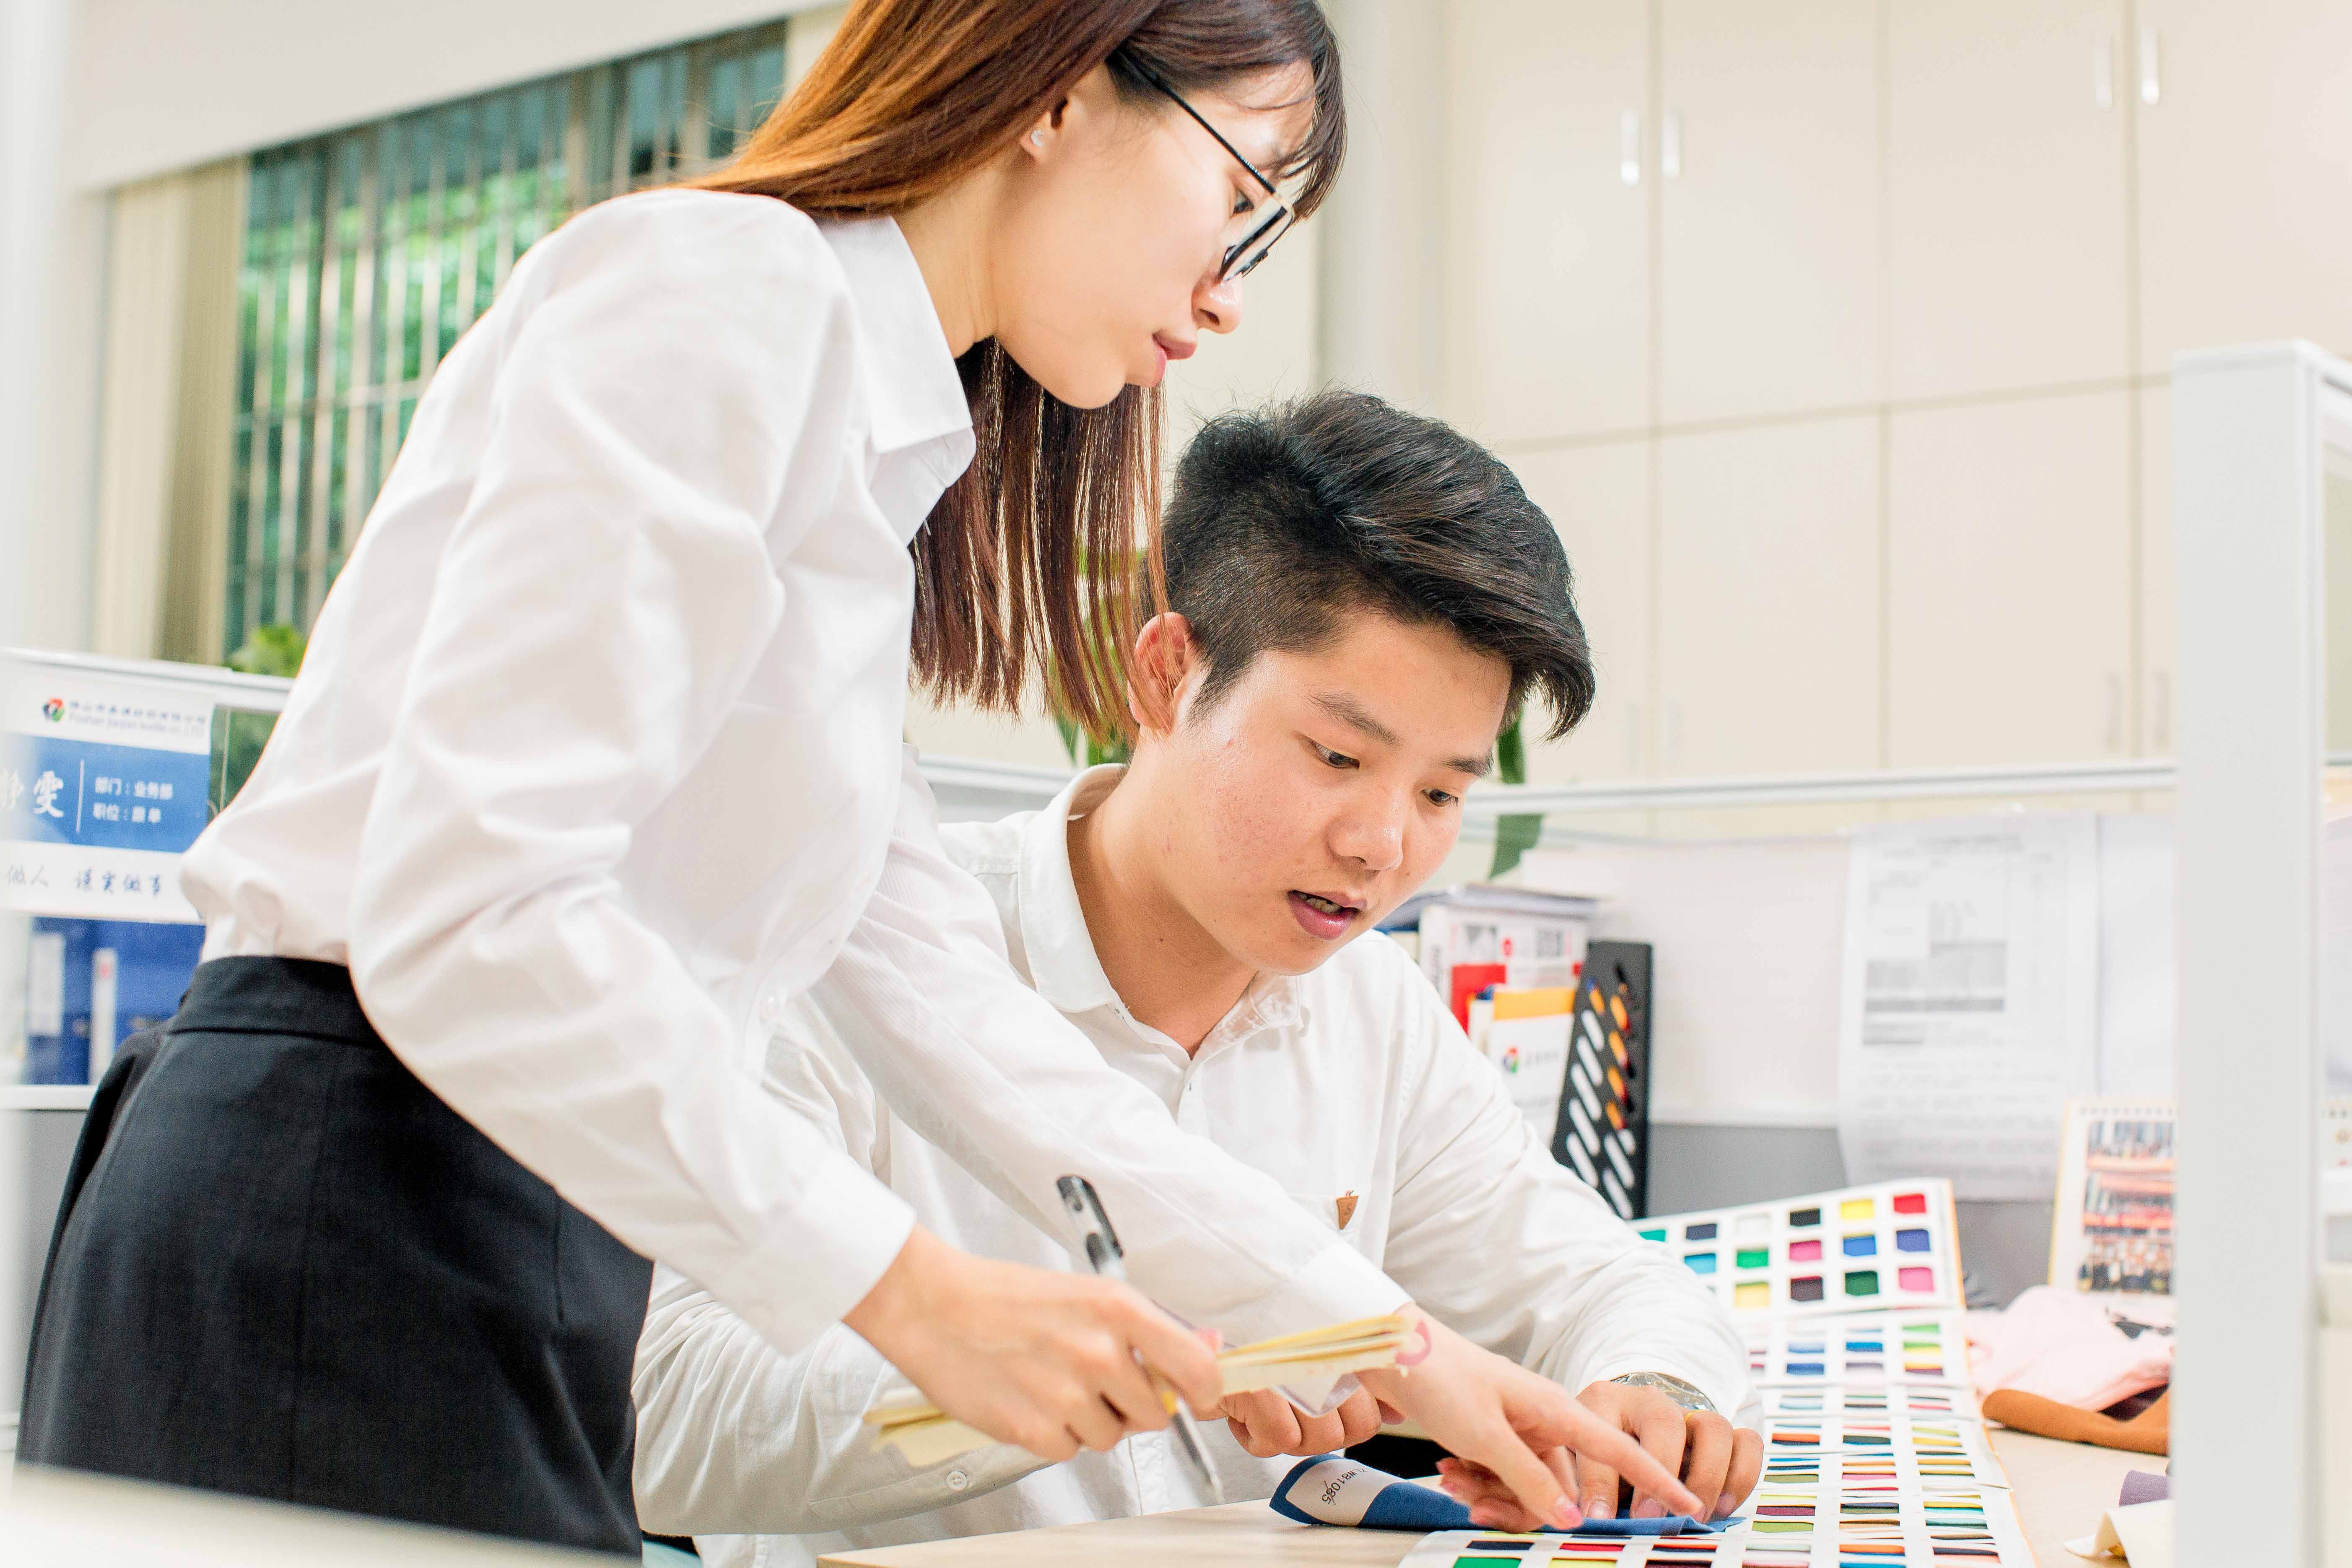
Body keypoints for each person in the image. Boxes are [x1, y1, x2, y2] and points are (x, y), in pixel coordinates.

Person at [17, 1, 1696, 1554]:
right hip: (346, 1188)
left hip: (502, 1209)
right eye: (1240, 198)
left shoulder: (864, 455)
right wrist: (909, 1290)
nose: (1226, 295)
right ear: (1062, 92)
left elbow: (952, 1005)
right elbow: (470, 910)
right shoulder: (725, 292)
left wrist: (1393, 1349)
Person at [631, 392, 1764, 1565]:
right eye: (1337, 755)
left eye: (1441, 792)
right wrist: (1082, 1362)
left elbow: (1599, 1278)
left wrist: (1654, 1387)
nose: (1381, 845)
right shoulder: (849, 946)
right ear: (1167, 673)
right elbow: (661, 1412)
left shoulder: (1370, 1012)